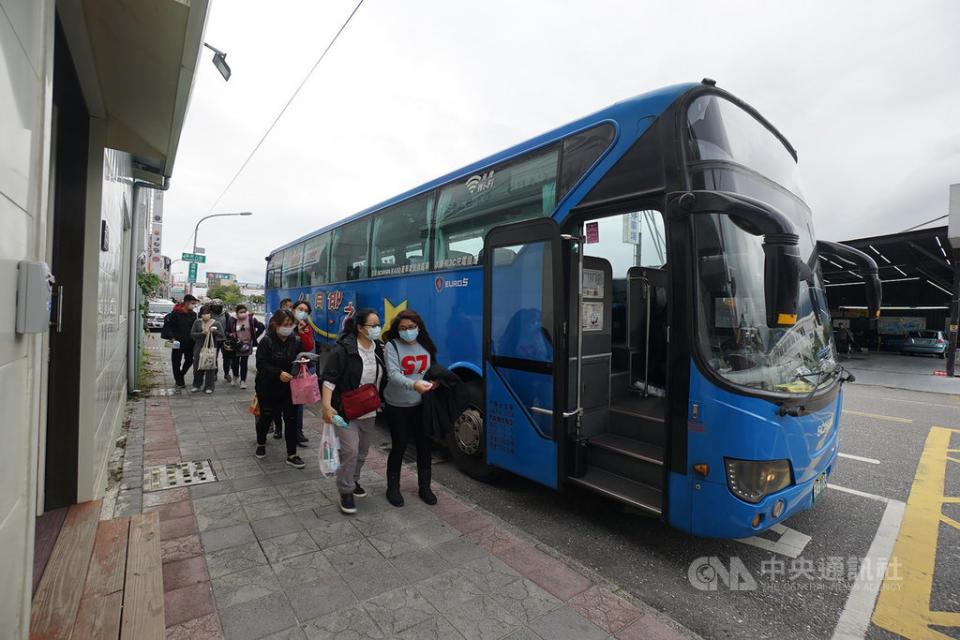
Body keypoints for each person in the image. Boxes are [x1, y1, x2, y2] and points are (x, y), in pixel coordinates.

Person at [321, 308, 386, 515]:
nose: (377, 329)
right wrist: (326, 406)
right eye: (372, 325)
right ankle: (345, 490)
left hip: (369, 409)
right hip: (344, 410)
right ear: (359, 328)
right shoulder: (344, 350)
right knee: (350, 450)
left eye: (378, 325)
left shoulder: (378, 349)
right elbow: (329, 379)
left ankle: (354, 480)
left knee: (363, 450)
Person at [382, 310, 438, 506]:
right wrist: (414, 384)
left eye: (411, 327)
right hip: (397, 405)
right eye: (403, 328)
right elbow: (394, 375)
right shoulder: (392, 346)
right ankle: (393, 488)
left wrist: (435, 382)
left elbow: (432, 371)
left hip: (422, 405)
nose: (408, 331)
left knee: (425, 446)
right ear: (398, 330)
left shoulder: (426, 346)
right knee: (400, 445)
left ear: (418, 327)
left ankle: (425, 488)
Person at [254, 309, 306, 468]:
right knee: (266, 417)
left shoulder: (296, 340)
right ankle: (261, 443)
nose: (288, 328)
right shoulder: (267, 341)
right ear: (275, 324)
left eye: (291, 324)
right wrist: (278, 373)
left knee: (291, 420)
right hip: (267, 387)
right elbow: (261, 365)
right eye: (285, 325)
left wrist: (303, 363)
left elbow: (300, 357)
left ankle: (292, 454)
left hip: (290, 388)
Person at [162, 294, 198, 388]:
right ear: (186, 302)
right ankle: (179, 381)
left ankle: (181, 374)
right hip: (177, 342)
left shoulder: (193, 314)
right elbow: (169, 327)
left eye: (194, 304)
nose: (193, 305)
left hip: (190, 342)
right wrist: (172, 338)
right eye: (192, 303)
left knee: (189, 360)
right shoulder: (175, 314)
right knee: (176, 362)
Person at [292, 300, 315, 445]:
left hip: (298, 368)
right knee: (281, 400)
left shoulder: (306, 327)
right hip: (283, 368)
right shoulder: (284, 323)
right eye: (300, 309)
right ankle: (276, 426)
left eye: (306, 311)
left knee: (299, 401)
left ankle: (298, 431)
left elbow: (309, 346)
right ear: (293, 309)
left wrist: (302, 333)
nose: (303, 313)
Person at [190, 303, 224, 394]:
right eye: (203, 313)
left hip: (211, 348)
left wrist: (214, 331)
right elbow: (192, 334)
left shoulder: (216, 323)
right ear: (201, 314)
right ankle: (196, 385)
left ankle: (209, 386)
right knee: (197, 367)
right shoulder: (197, 322)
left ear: (210, 313)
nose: (206, 315)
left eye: (207, 313)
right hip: (198, 349)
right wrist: (201, 333)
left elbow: (222, 335)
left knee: (210, 368)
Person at [231, 304, 264, 389]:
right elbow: (227, 331)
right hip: (236, 345)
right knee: (235, 363)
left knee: (244, 363)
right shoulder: (233, 320)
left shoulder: (251, 319)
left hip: (247, 345)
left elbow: (261, 327)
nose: (243, 314)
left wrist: (254, 337)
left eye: (244, 312)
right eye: (240, 312)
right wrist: (230, 334)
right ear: (237, 313)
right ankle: (235, 376)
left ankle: (243, 380)